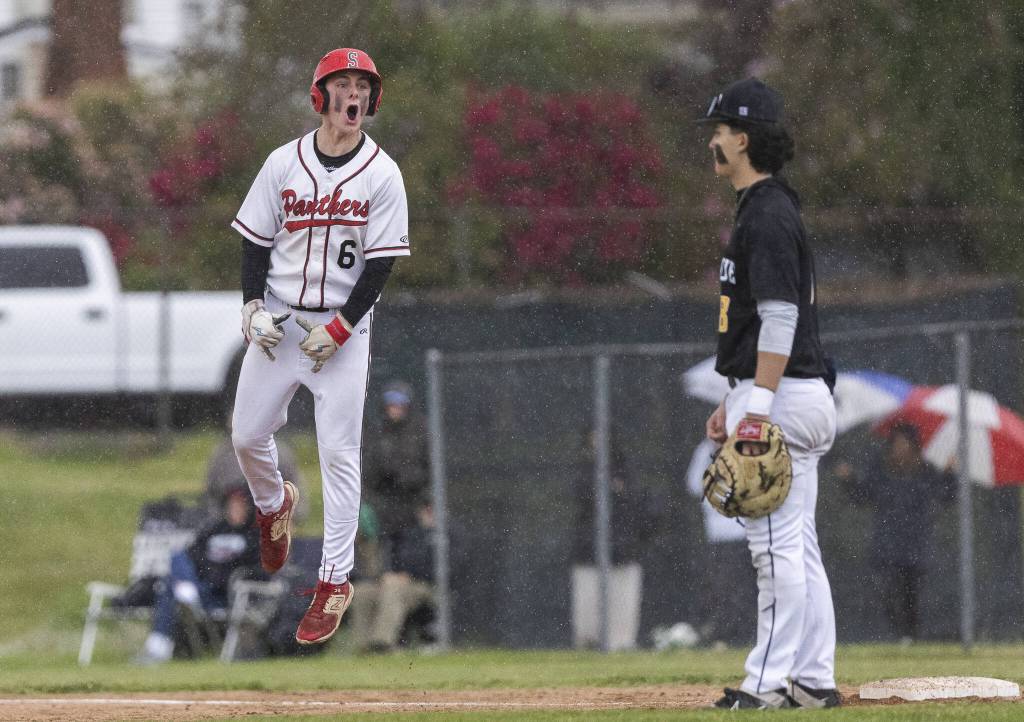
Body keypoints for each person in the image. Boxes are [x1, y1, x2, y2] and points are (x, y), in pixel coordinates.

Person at [229, 47, 410, 646]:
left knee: (339, 453)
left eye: (363, 85)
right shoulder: (284, 163)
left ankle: (334, 581)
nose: (354, 94)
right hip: (281, 321)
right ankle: (273, 500)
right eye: (344, 84)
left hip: (342, 327)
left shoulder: (383, 173)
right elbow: (255, 240)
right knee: (247, 435)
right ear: (321, 96)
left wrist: (342, 327)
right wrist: (252, 306)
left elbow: (381, 263)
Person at [698, 78, 840, 709]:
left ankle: (764, 686)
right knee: (797, 548)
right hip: (784, 391)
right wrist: (736, 400)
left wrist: (755, 411)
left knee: (772, 550)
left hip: (785, 396)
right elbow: (767, 325)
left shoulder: (770, 212)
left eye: (721, 130)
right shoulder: (764, 207)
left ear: (744, 139)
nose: (714, 141)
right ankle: (813, 679)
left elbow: (781, 319)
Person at [838, 424, 956, 643]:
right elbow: (863, 496)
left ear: (914, 446)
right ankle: (901, 635)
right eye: (896, 443)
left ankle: (910, 637)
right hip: (886, 544)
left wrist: (950, 475)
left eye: (905, 443)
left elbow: (946, 496)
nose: (900, 448)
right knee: (887, 592)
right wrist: (849, 480)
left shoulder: (925, 472)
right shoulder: (882, 472)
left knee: (912, 593)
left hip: (916, 544)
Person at [137, 484, 263, 664]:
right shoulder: (216, 529)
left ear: (250, 508)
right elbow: (193, 554)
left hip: (222, 593)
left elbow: (254, 569)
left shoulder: (254, 536)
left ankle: (158, 647)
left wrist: (218, 574)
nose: (235, 510)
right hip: (202, 583)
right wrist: (204, 572)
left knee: (169, 588)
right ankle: (188, 592)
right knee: (177, 558)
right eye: (232, 505)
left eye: (240, 506)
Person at [570, 430, 652, 651]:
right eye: (593, 438)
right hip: (589, 547)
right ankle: (588, 642)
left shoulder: (625, 469)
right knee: (588, 601)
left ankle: (621, 644)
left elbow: (634, 501)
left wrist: (617, 491)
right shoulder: (584, 470)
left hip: (622, 546)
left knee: (622, 599)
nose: (597, 444)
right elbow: (581, 497)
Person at [684, 438, 754, 647]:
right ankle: (726, 635)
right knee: (722, 585)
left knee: (746, 586)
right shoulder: (704, 449)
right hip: (717, 533)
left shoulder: (744, 447)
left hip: (745, 530)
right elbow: (694, 485)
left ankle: (747, 635)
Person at [349, 497, 439, 653]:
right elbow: (392, 557)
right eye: (425, 508)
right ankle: (363, 646)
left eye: (431, 510)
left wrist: (410, 575)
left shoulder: (448, 534)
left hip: (425, 585)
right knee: (363, 591)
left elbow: (445, 569)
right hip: (396, 583)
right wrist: (387, 573)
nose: (427, 513)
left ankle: (381, 644)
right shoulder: (409, 533)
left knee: (393, 587)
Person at [362, 380, 430, 554]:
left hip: (413, 501)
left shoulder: (421, 431)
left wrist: (425, 500)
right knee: (384, 545)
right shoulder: (377, 433)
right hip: (383, 503)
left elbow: (429, 469)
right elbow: (369, 472)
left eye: (400, 403)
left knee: (412, 546)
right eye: (391, 403)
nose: (395, 408)